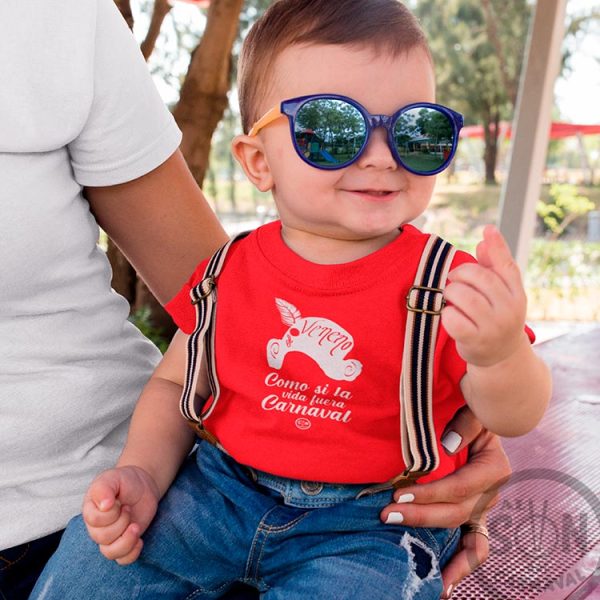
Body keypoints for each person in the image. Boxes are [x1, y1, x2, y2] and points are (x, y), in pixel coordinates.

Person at [29, 1, 552, 599]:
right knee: (95, 570)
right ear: (258, 161)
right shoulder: (230, 271)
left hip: (369, 523)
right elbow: (178, 384)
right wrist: (145, 472)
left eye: (416, 131)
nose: (381, 154)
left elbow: (515, 414)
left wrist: (500, 353)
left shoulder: (446, 282)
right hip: (220, 491)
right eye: (334, 130)